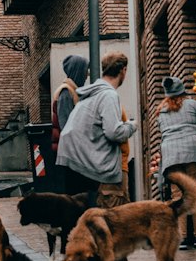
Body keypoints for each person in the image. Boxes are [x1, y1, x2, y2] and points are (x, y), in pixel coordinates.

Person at [56, 52, 137, 207]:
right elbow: (114, 133)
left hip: (80, 168)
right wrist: (132, 125)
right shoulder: (108, 95)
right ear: (123, 71)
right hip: (104, 172)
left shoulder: (90, 95)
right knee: (114, 217)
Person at [158, 75, 196, 248]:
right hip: (193, 150)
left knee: (178, 196)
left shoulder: (161, 111)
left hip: (171, 154)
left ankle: (182, 238)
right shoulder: (193, 105)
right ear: (182, 91)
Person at [51, 54, 90, 190]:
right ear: (77, 71)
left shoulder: (72, 91)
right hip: (71, 154)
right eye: (85, 70)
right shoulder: (66, 93)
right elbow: (66, 126)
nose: (87, 75)